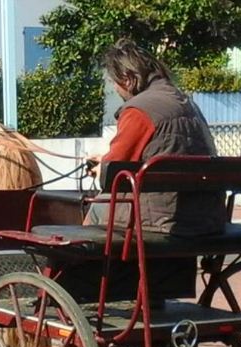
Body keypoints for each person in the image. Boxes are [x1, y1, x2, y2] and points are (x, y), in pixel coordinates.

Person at [85, 39, 226, 236]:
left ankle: (84, 265)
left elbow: (112, 172)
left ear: (127, 78)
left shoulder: (139, 110)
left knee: (98, 205)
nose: (116, 89)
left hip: (161, 220)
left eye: (114, 82)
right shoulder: (188, 104)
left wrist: (100, 168)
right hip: (208, 216)